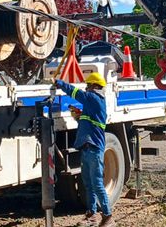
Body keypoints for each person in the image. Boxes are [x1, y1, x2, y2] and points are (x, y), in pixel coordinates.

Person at [55, 72, 115, 227]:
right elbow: (89, 122)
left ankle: (108, 217)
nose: (86, 88)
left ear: (94, 86)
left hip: (94, 149)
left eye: (88, 85)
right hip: (87, 148)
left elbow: (76, 93)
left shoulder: (94, 98)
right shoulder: (93, 103)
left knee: (97, 184)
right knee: (88, 184)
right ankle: (92, 215)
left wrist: (60, 83)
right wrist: (79, 116)